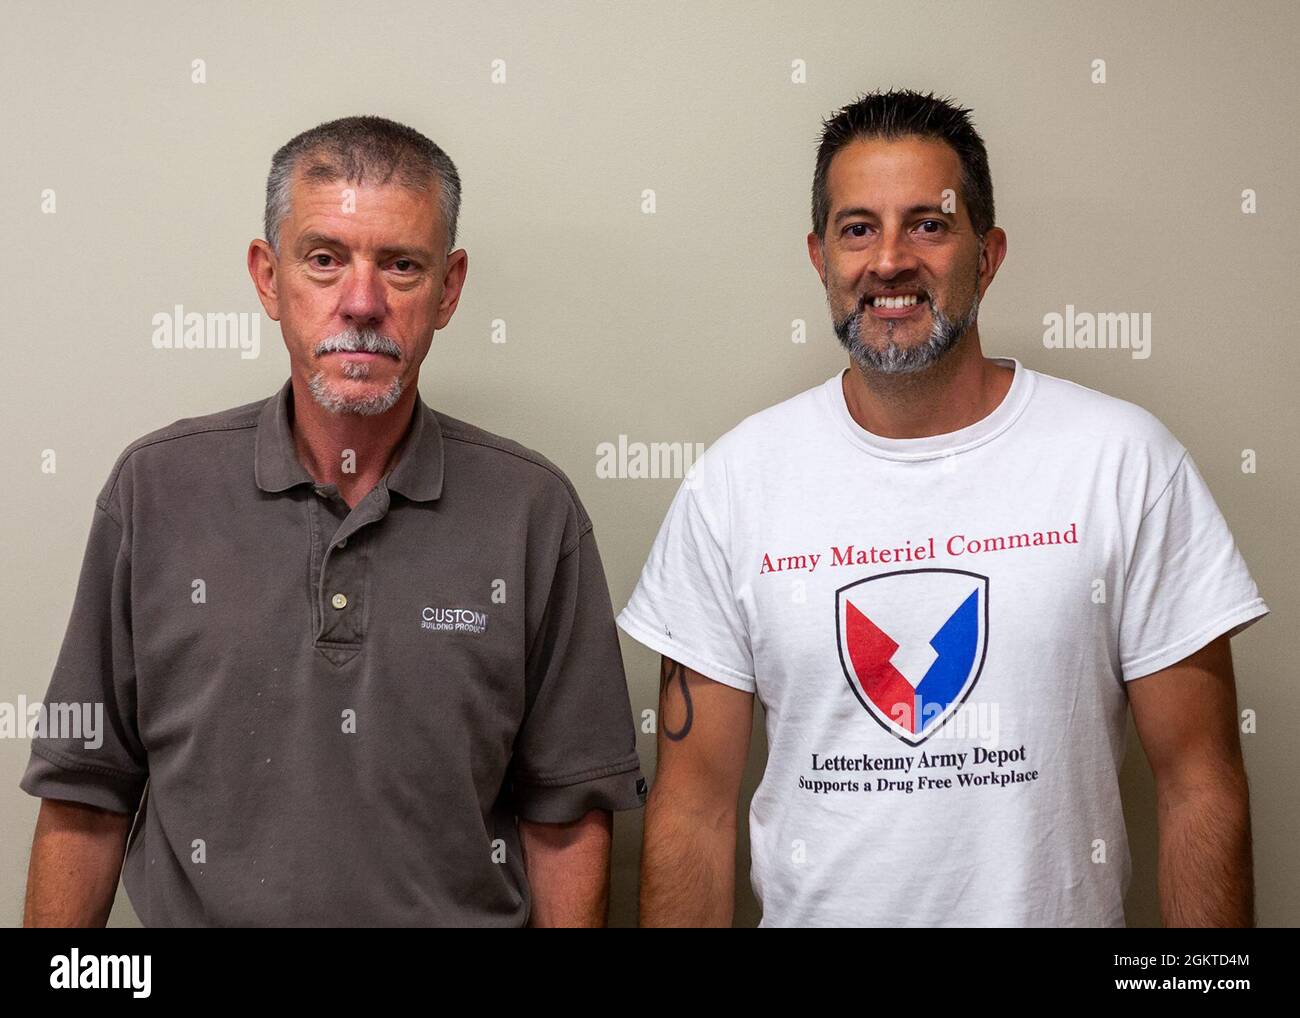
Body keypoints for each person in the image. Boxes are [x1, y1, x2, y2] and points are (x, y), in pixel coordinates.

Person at [619, 89, 1267, 927]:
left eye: (929, 223)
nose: (889, 260)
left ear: (988, 254)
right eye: (858, 228)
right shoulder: (735, 484)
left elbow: (1199, 788)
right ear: (820, 257)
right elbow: (693, 816)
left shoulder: (1122, 462)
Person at [21, 115, 645, 927]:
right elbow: (84, 793)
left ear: (449, 288)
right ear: (266, 275)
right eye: (324, 259)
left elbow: (564, 819)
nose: (361, 303)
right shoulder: (156, 490)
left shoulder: (533, 512)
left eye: (401, 265)